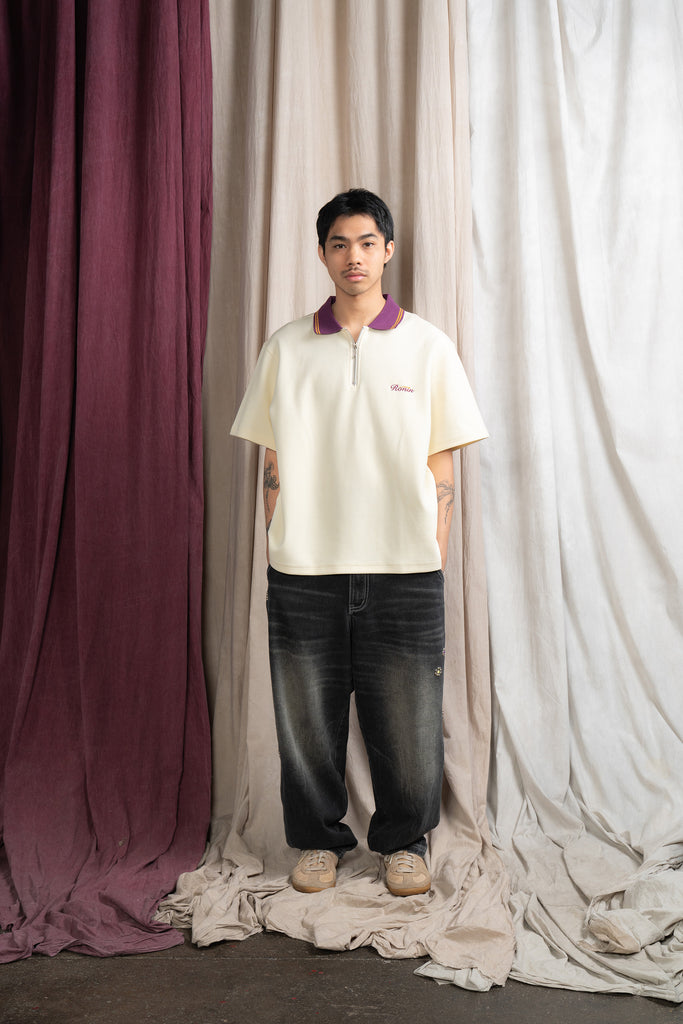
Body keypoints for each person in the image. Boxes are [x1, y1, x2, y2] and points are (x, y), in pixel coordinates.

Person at [231, 188, 488, 897]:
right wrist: (281, 538)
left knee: (408, 723)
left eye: (367, 243)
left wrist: (432, 549)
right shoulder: (286, 347)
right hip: (304, 570)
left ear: (388, 250)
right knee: (306, 724)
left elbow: (442, 460)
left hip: (404, 570)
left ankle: (405, 843)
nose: (354, 256)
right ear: (322, 254)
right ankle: (318, 842)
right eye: (339, 244)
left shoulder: (428, 346)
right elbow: (271, 457)